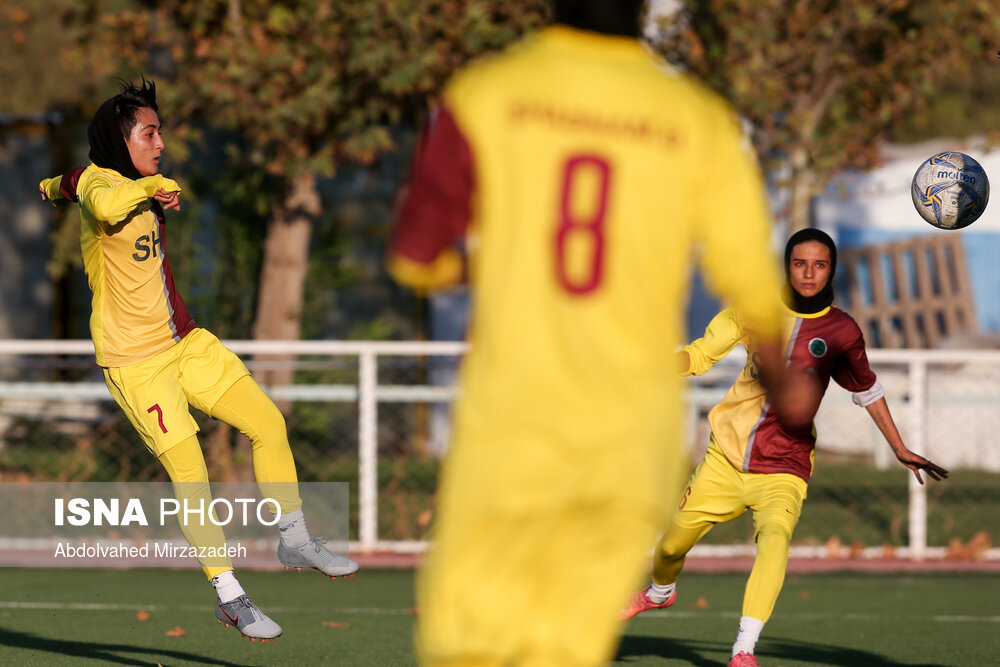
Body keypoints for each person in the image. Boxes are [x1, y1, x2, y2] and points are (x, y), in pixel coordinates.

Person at [385, 1, 818, 664]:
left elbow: (416, 257)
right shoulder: (696, 118)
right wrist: (783, 382)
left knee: (467, 645)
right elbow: (751, 281)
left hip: (513, 426)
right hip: (628, 437)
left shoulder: (488, 92)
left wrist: (493, 259)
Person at [39, 78, 358, 642]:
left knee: (269, 423)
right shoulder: (104, 183)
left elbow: (65, 182)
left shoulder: (96, 180)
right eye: (150, 133)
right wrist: (156, 186)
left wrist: (47, 186)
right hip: (135, 364)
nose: (161, 143)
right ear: (121, 140)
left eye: (161, 132)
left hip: (185, 343)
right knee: (191, 473)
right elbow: (102, 197)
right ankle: (230, 596)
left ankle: (295, 536)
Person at [621, 228, 950, 667]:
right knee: (669, 549)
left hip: (785, 467)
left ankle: (743, 650)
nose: (809, 273)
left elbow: (866, 389)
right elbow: (701, 355)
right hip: (725, 461)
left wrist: (899, 446)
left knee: (775, 541)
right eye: (800, 263)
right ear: (787, 266)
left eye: (820, 264)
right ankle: (660, 593)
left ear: (832, 269)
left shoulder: (842, 331)